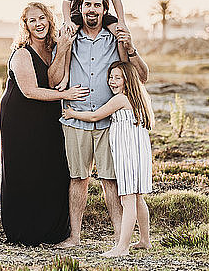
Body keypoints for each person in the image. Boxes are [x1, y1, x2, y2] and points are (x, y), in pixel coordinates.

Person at [48, 0, 149, 249]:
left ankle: (119, 239)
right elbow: (54, 79)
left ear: (105, 10)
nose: (91, 10)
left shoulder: (115, 39)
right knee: (78, 179)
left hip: (108, 123)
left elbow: (141, 76)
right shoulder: (70, 38)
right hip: (75, 120)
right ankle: (75, 237)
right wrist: (62, 48)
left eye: (96, 5)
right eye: (87, 5)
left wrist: (131, 46)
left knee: (110, 181)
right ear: (79, 9)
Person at [0, 2, 89, 245]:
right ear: (25, 25)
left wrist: (63, 49)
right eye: (32, 20)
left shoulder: (54, 48)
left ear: (50, 20)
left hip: (48, 114)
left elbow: (54, 79)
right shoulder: (21, 53)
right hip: (20, 116)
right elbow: (30, 91)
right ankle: (23, 230)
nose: (38, 24)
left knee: (53, 166)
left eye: (42, 18)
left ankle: (52, 229)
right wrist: (66, 96)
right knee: (25, 169)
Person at [63, 61, 153, 257]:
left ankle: (122, 247)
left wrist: (72, 113)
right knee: (138, 198)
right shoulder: (140, 97)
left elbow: (95, 116)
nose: (112, 82)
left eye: (117, 78)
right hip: (139, 153)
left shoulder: (121, 99)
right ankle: (145, 240)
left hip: (128, 153)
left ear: (128, 80)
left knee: (127, 199)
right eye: (110, 77)